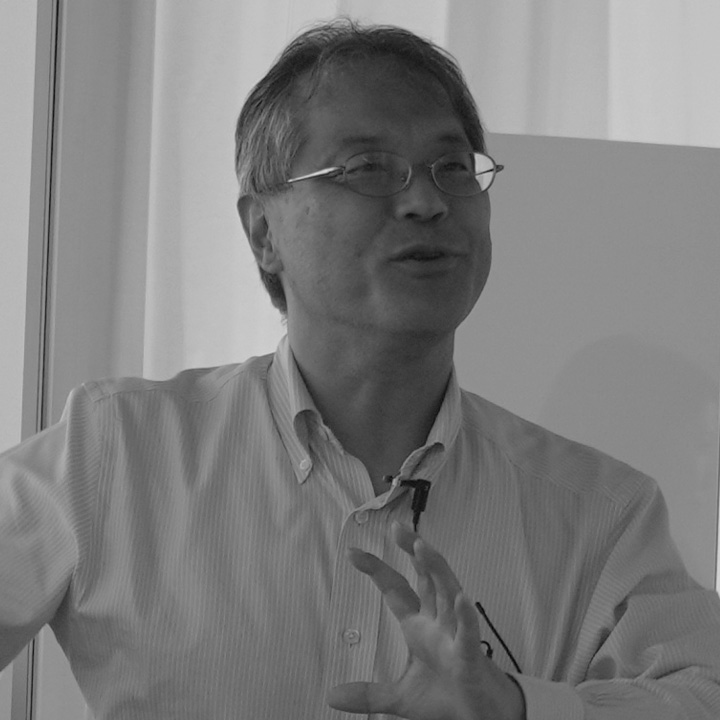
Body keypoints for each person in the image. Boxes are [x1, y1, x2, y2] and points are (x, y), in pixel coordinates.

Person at [1, 19, 719, 720]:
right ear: (264, 232)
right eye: (369, 169)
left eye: (452, 167)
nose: (427, 201)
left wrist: (516, 706)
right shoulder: (117, 452)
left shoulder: (598, 512)